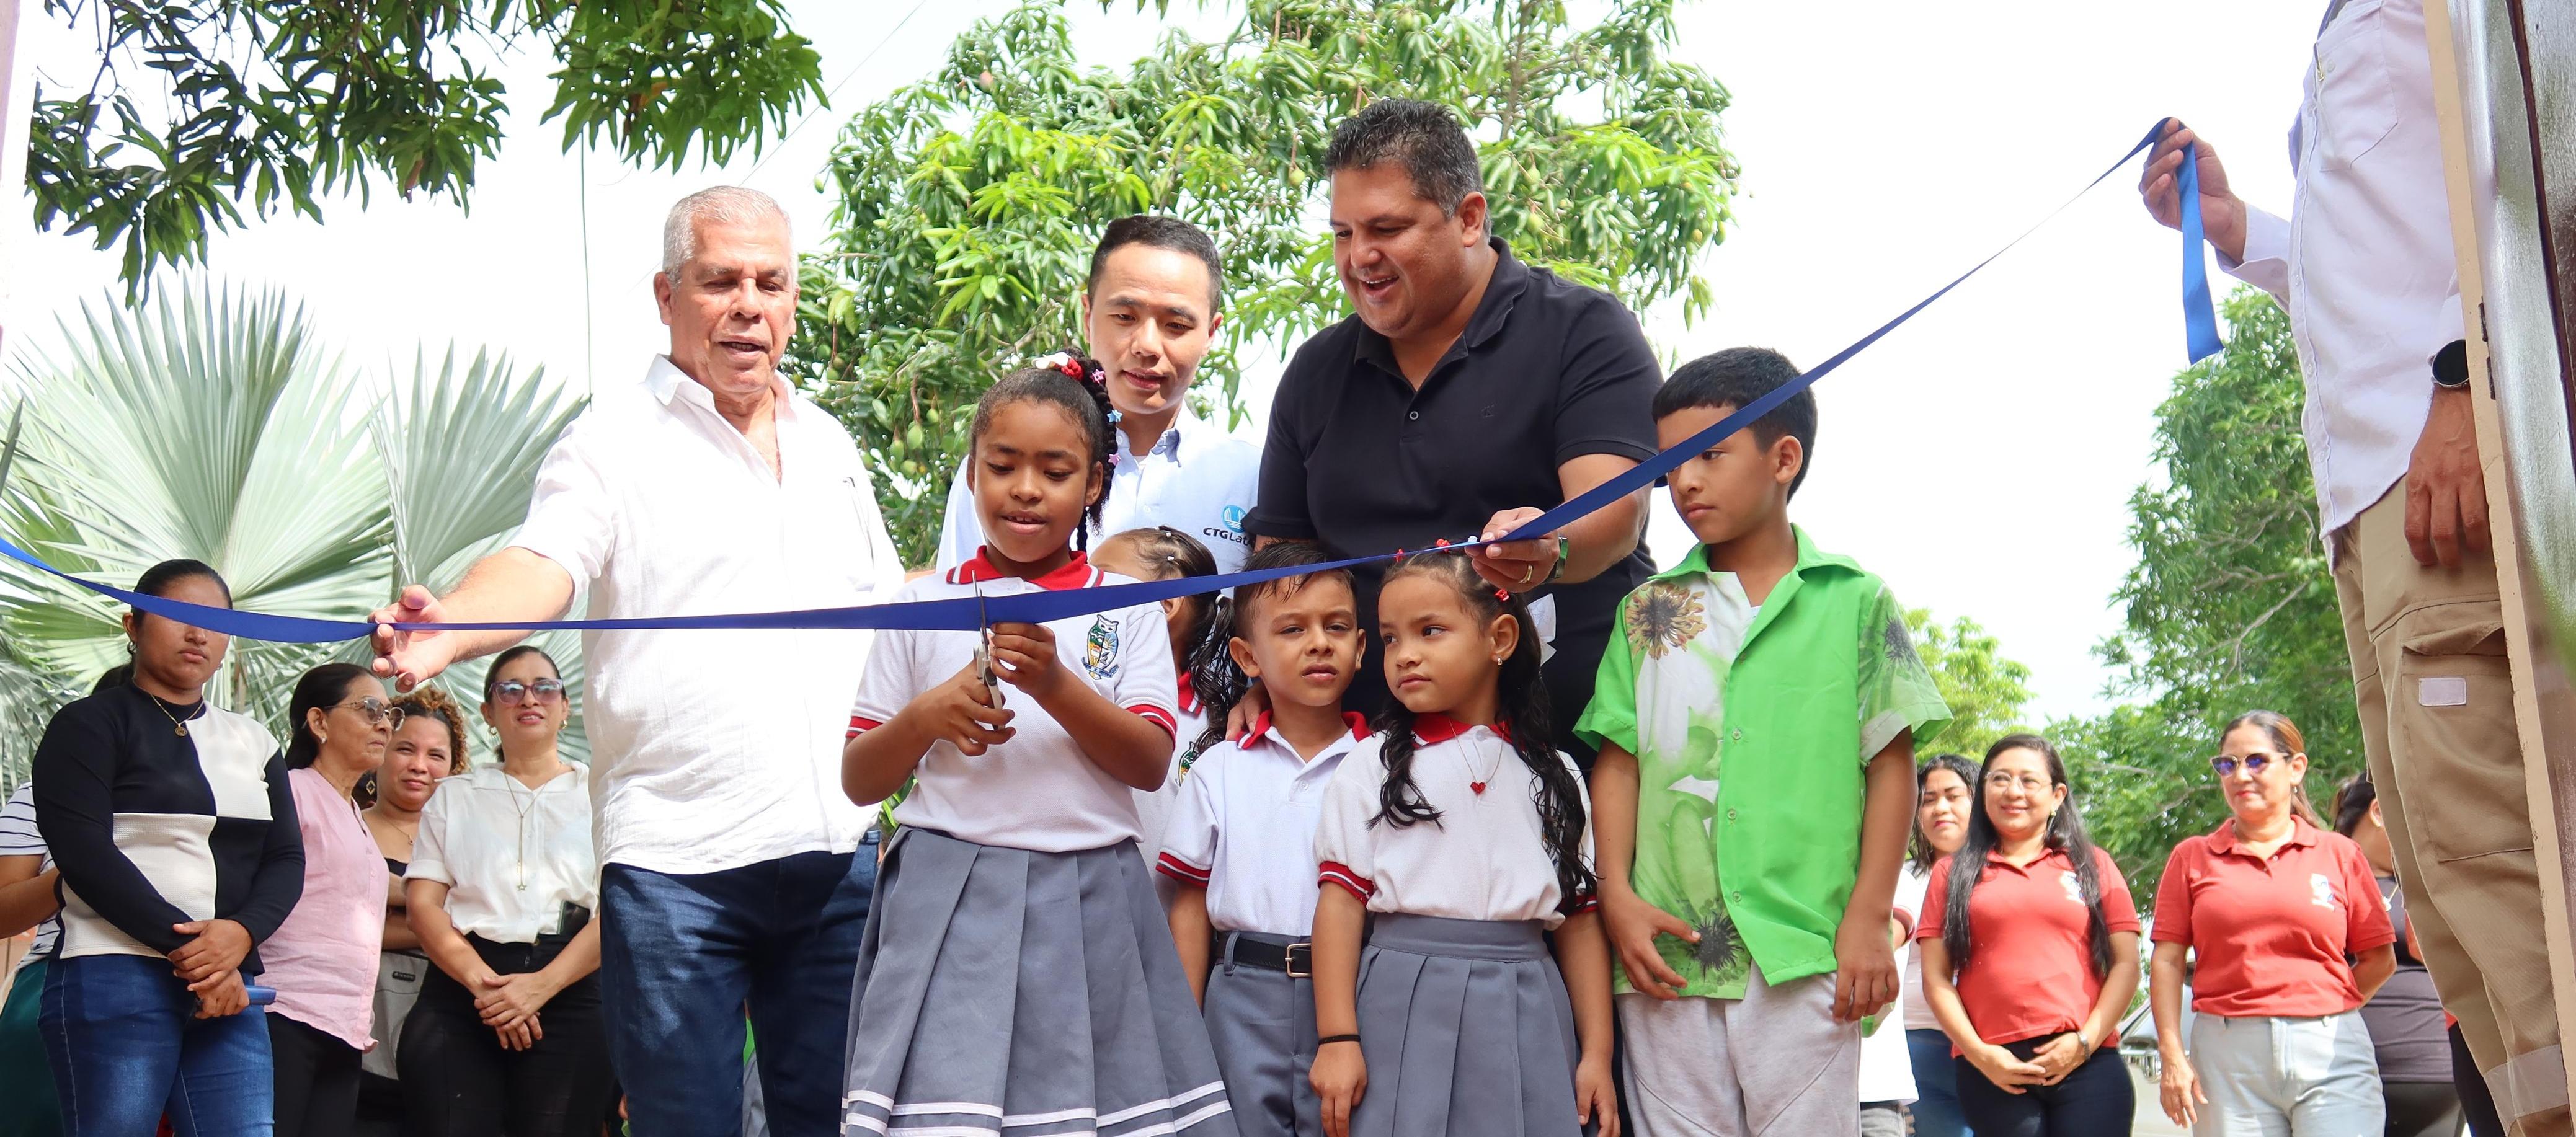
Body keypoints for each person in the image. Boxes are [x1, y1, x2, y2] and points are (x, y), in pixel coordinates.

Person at [367, 186, 905, 1136]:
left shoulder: (830, 446)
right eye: (721, 281)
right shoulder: (610, 440)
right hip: (675, 874)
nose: (749, 304)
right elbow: (544, 562)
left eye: (771, 282)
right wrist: (451, 625)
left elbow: (890, 606)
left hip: (837, 859)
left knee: (833, 1124)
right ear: (666, 295)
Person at [2139, 4, 2565, 1123]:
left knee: (2515, 847)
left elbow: (2535, 160)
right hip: (2371, 489)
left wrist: (2461, 373)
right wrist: (2237, 229)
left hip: (2456, 442)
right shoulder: (2341, 26)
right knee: (2445, 859)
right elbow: (2376, 260)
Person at [838, 358, 1231, 1136]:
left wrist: (1055, 682)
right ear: (972, 472)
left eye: (1054, 470)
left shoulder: (1127, 613)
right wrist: (927, 717)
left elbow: (1150, 762)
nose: (1025, 488)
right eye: (1002, 465)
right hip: (946, 896)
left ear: (1092, 484)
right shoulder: (921, 605)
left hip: (1094, 897)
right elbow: (858, 777)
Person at [1576, 347, 1952, 1136]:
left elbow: (1890, 766)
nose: (1684, 482)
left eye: (1708, 455)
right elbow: (1618, 762)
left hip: (1803, 952)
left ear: (1783, 458)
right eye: (1672, 462)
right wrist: (1614, 895)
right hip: (1667, 958)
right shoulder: (1645, 610)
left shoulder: (1854, 602)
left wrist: (1865, 918)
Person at [1243, 97, 1663, 759]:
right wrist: (1270, 679)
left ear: (1468, 219)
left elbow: (1614, 515)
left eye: (1386, 228)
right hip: (1371, 772)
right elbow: (1279, 569)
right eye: (1342, 233)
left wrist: (1548, 545)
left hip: (1571, 755)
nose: (1360, 257)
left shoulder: (1582, 330)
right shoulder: (1315, 371)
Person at [1306, 549, 1617, 1137]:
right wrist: (1338, 1037)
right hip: (1402, 998)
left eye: (1431, 631)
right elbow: (1340, 906)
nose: (1406, 656)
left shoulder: (1556, 774)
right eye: (1393, 639)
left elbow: (1579, 921)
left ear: (1499, 637)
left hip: (1528, 996)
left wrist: (1595, 1053)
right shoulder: (1371, 764)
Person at [33, 559, 305, 1136]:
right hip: (114, 970)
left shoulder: (254, 740)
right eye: (178, 615)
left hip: (232, 981)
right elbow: (84, 855)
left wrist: (241, 935)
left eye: (213, 621)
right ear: (132, 626)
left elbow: (286, 859)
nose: (197, 633)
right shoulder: (87, 724)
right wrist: (200, 958)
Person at [1158, 541, 1371, 1137]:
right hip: (1239, 996)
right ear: (1248, 656)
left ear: (1361, 647)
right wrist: (1184, 1023)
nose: (1319, 643)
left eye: (1337, 626)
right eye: (1293, 629)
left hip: (1358, 994)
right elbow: (1192, 904)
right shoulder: (1219, 769)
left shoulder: (1384, 770)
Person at [935, 216, 1263, 572]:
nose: (1147, 346)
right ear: (1088, 313)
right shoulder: (1002, 472)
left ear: (1211, 333)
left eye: (1177, 325)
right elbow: (958, 611)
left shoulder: (1253, 479)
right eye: (1125, 316)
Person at [401, 647, 615, 1137]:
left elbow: (618, 912)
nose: (528, 699)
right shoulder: (454, 795)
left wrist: (540, 988)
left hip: (571, 987)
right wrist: (487, 989)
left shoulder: (601, 794)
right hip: (463, 991)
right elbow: (423, 907)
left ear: (565, 708)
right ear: (488, 713)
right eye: (510, 689)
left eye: (544, 688)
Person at [2150, 710, 2397, 1135]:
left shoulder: (2338, 853)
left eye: (2257, 761)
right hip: (2228, 1060)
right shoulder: (2192, 857)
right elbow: (2168, 962)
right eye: (2227, 765)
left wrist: (2320, 1007)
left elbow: (2380, 959)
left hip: (2332, 1052)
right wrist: (2173, 1054)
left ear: (2296, 768)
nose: (2240, 775)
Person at [1917, 736, 2143, 1136]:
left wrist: (2085, 1043)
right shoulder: (1951, 873)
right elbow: (1936, 977)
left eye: (2028, 780)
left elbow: (2126, 963)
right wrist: (1979, 1053)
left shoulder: (2093, 864)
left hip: (2087, 1062)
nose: (2013, 791)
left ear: (2057, 795)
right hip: (1994, 1071)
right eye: (2000, 779)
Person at [262, 664, 399, 1137]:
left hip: (346, 1025)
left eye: (389, 713)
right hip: (284, 1013)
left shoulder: (354, 813)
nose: (384, 723)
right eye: (369, 710)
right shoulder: (294, 791)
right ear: (318, 722)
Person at [355, 684, 466, 1136]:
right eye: (405, 749)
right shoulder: (347, 825)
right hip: (361, 1024)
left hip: (450, 1030)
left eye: (436, 755)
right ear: (380, 751)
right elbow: (332, 920)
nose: (420, 765)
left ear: (454, 767)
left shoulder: (469, 839)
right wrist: (439, 920)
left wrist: (391, 907)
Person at [2332, 774, 2464, 1137]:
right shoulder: (2321, 882)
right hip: (2342, 1079)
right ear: (2379, 811)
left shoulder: (2427, 888)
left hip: (2439, 1078)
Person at [1093, 524, 1223, 872]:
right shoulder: (1075, 695)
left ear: (1166, 604)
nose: (1087, 591)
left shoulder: (1218, 725)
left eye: (1105, 580)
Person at [1904, 753, 1981, 1137]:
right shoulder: (1899, 878)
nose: (1940, 808)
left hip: (1995, 1043)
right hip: (1919, 1043)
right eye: (1928, 799)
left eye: (1953, 796)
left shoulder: (2008, 876)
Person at [2, 777, 64, 1137]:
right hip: (58, 971)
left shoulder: (238, 784)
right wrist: (86, 863)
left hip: (213, 977)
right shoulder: (44, 791)